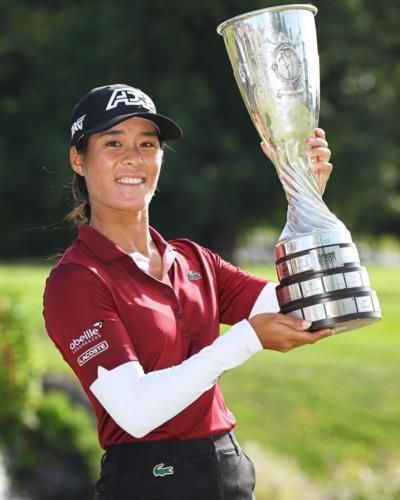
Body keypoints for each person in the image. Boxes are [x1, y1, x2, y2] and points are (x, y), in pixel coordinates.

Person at [43, 83, 333, 500]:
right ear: (79, 159)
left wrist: (305, 200)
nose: (133, 157)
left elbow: (311, 306)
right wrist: (246, 339)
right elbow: (136, 413)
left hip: (226, 472)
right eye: (112, 142)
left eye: (147, 143)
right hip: (149, 481)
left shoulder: (193, 260)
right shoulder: (76, 280)